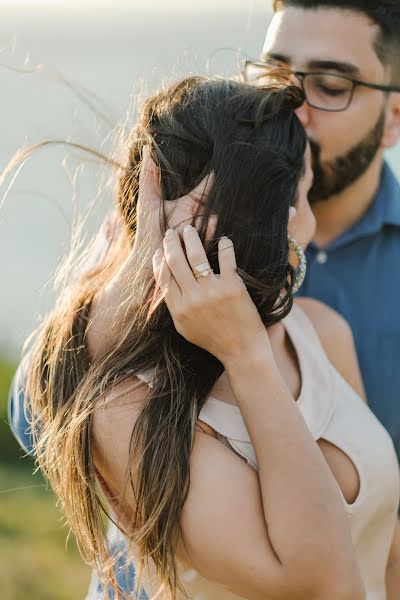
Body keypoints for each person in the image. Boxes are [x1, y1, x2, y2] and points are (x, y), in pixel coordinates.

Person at [14, 73, 400, 600]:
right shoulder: (130, 408)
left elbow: (387, 542)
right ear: (270, 227)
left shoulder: (321, 332)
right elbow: (324, 582)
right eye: (303, 197)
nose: (309, 219)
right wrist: (245, 355)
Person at [244, 0, 400, 461]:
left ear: (394, 118)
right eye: (273, 77)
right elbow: (37, 425)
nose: (288, 109)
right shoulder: (186, 220)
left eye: (330, 87)